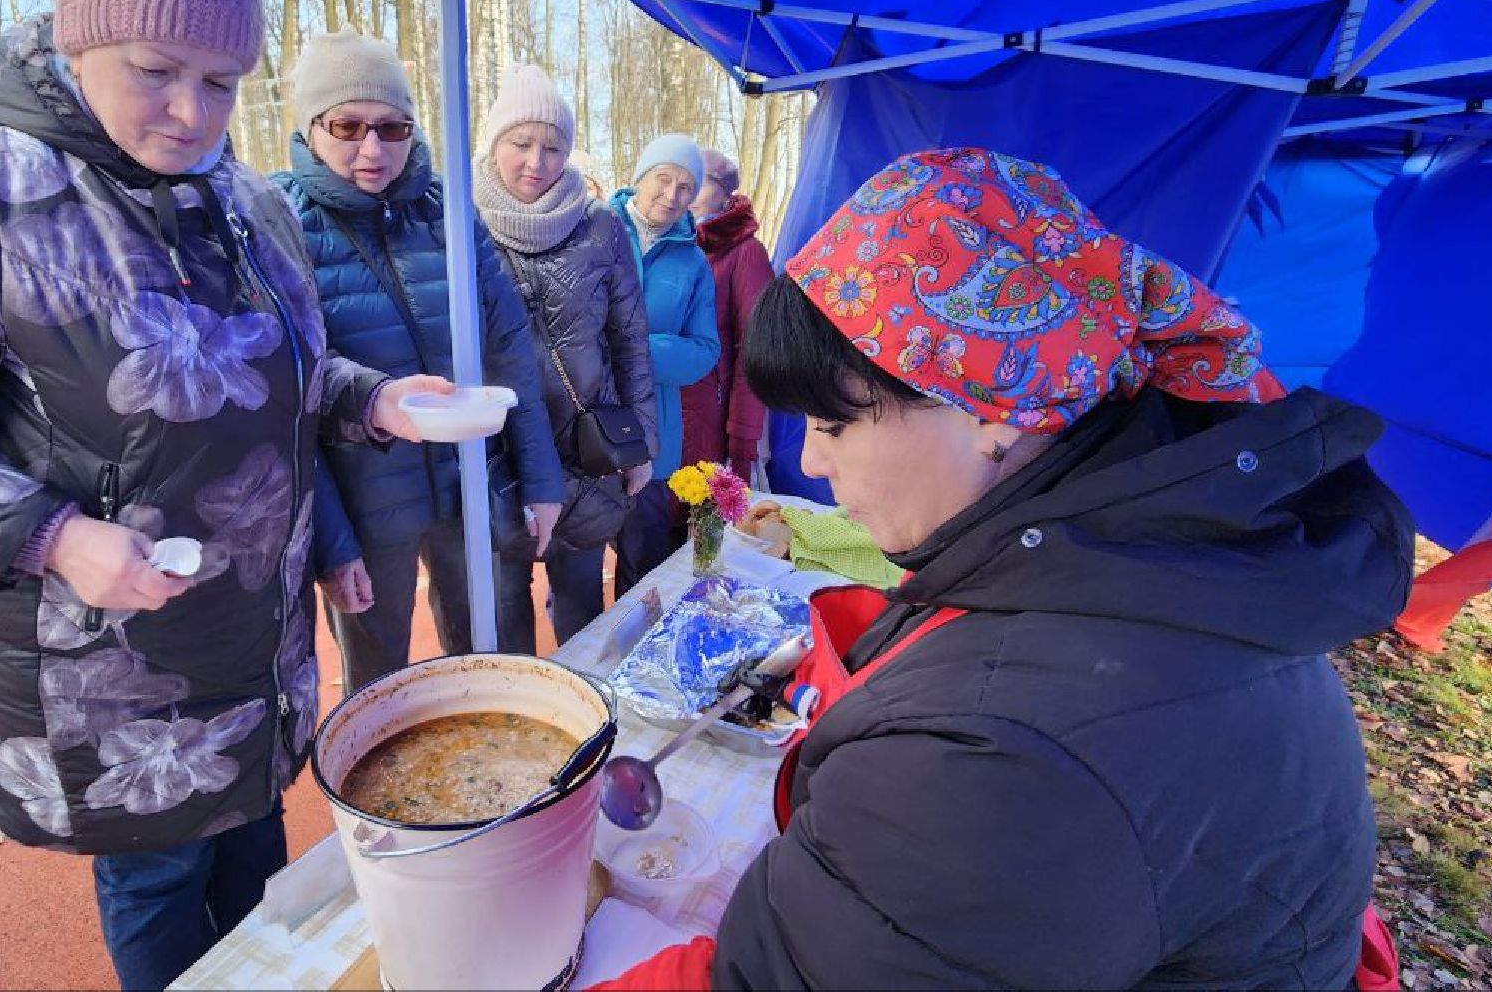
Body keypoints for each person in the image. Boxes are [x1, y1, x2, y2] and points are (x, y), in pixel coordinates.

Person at [0, 0, 448, 987]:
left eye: (224, 81)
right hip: (112, 684)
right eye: (157, 70)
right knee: (166, 907)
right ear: (79, 38)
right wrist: (47, 533)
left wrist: (379, 401)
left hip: (255, 658)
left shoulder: (242, 199)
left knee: (264, 908)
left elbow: (276, 373)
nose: (192, 112)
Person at [599, 149, 1413, 989]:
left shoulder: (1004, 757)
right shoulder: (1154, 549)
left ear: (986, 409)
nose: (809, 460)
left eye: (833, 425)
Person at [273, 32, 564, 691]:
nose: (372, 149)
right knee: (377, 682)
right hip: (363, 500)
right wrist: (331, 538)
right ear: (311, 126)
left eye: (392, 127)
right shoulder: (281, 221)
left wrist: (541, 479)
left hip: (465, 478)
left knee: (483, 654)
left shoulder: (444, 212)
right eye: (347, 126)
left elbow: (509, 349)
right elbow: (284, 397)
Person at [473, 65, 656, 645]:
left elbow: (630, 341)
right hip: (495, 455)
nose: (536, 161)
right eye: (520, 143)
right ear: (494, 143)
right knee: (503, 619)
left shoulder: (600, 227)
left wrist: (641, 445)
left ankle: (584, 723)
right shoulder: (460, 223)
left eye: (552, 147)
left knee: (582, 614)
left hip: (587, 451)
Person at [608, 134, 718, 597]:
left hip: (652, 436)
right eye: (664, 179)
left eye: (686, 187)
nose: (672, 196)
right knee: (574, 573)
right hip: (582, 423)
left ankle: (627, 667)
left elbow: (704, 351)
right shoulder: (595, 231)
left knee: (642, 570)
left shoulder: (693, 262)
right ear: (640, 178)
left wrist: (635, 348)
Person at [682, 148, 774, 481]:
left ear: (725, 192)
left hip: (717, 426)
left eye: (701, 182)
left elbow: (756, 352)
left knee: (706, 524)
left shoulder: (747, 253)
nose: (689, 193)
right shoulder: (674, 245)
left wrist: (743, 439)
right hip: (669, 424)